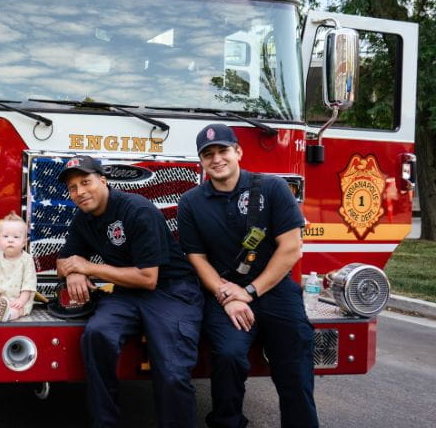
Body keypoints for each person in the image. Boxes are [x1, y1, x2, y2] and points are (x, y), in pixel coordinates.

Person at [176, 123, 318, 428]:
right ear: (201, 161)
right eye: (208, 154)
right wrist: (226, 295)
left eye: (223, 150)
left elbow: (291, 248)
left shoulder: (272, 188)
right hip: (225, 293)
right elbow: (196, 258)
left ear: (238, 151)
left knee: (294, 364)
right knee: (228, 356)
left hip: (275, 291)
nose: (217, 159)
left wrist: (251, 291)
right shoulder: (190, 203)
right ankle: (227, 422)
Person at [56, 155, 203, 428]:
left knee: (171, 371)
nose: (80, 192)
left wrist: (88, 267)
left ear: (103, 180)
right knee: (97, 335)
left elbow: (148, 278)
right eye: (73, 188)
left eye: (85, 182)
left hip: (171, 290)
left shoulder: (137, 210)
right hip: (127, 292)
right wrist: (74, 271)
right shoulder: (84, 217)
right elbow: (64, 261)